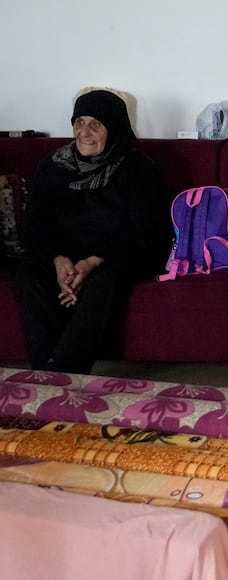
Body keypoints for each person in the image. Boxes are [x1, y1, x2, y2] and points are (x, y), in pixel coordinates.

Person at [15, 90, 170, 372]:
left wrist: (90, 263)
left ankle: (66, 370)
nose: (84, 132)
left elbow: (145, 231)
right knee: (30, 274)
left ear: (114, 127)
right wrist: (60, 260)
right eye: (79, 122)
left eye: (95, 124)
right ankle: (45, 366)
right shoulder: (53, 166)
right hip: (65, 251)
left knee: (103, 283)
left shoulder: (136, 168)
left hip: (122, 252)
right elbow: (36, 223)